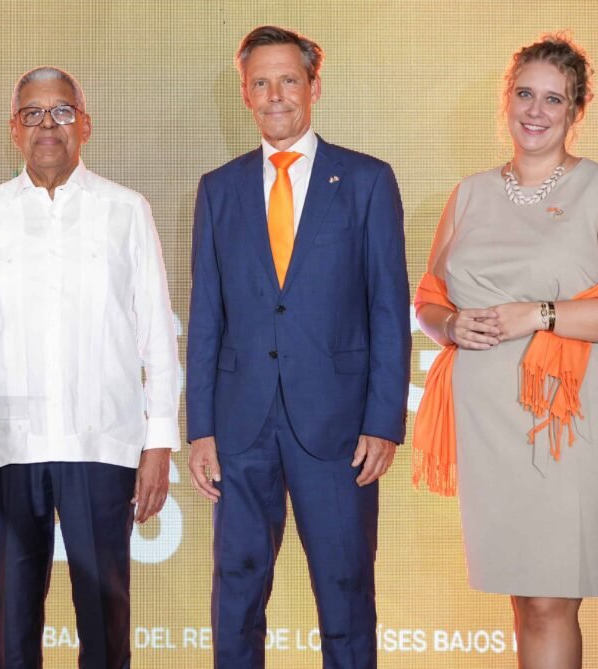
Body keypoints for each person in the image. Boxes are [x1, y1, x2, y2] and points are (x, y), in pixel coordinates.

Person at [413, 35, 598, 669]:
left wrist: (541, 313)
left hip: (570, 419)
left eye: (553, 99)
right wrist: (450, 323)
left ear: (576, 111)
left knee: (553, 598)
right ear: (507, 98)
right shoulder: (469, 193)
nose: (535, 110)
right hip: (489, 418)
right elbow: (428, 298)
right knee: (524, 596)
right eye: (525, 93)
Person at [0, 66, 180, 669]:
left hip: (103, 443)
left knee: (105, 618)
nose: (49, 125)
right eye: (33, 114)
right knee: (14, 619)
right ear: (14, 130)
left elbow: (157, 333)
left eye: (63, 111)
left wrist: (158, 445)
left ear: (86, 125)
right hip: (6, 445)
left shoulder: (126, 210)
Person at [186, 25, 411, 668]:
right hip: (240, 426)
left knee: (345, 595)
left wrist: (382, 421)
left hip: (339, 427)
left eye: (288, 79)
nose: (275, 94)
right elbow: (207, 316)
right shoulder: (219, 188)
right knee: (235, 596)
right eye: (260, 82)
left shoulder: (367, 181)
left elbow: (388, 309)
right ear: (245, 94)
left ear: (314, 85)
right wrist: (201, 429)